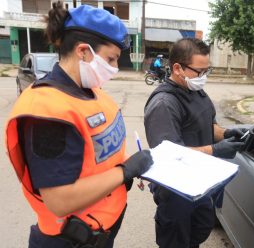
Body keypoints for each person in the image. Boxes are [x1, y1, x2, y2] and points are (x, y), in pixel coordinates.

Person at [5, 2, 153, 248]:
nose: (115, 68)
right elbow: (59, 201)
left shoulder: (92, 92)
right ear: (83, 51)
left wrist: (131, 163)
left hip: (101, 230)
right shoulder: (48, 111)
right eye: (111, 59)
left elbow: (100, 153)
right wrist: (125, 172)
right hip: (70, 240)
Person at [144, 38, 246, 248]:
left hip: (199, 185)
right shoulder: (164, 104)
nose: (203, 77)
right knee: (176, 242)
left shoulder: (197, 92)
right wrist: (215, 150)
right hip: (176, 194)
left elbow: (209, 127)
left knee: (198, 231)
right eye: (199, 72)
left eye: (207, 70)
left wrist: (227, 134)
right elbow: (168, 157)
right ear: (178, 68)